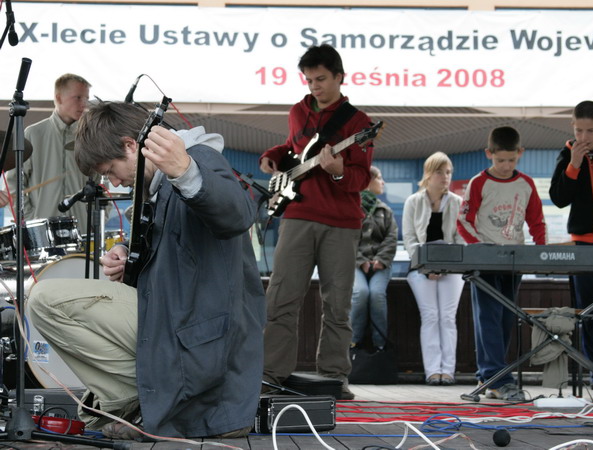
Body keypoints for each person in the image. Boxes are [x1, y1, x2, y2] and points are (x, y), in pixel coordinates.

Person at [26, 102, 266, 439]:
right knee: (45, 301)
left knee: (44, 299)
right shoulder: (155, 188)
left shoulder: (198, 159)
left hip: (199, 336)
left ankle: (134, 402)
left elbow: (237, 215)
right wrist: (129, 255)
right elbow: (180, 250)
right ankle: (139, 402)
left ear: (130, 145)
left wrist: (185, 170)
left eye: (110, 169)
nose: (113, 182)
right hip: (178, 323)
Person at [259, 44, 374, 400]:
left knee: (337, 305)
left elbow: (361, 179)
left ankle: (334, 378)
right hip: (296, 215)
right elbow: (294, 148)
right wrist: (272, 157)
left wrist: (339, 172)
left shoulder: (359, 123)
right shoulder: (297, 111)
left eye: (321, 79)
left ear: (340, 76)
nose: (314, 86)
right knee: (281, 299)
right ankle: (270, 375)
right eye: (309, 80)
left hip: (341, 223)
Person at [457, 126, 547, 401]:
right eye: (500, 161)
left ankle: (489, 377)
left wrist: (540, 252)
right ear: (489, 154)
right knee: (488, 318)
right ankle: (499, 377)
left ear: (520, 154)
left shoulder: (526, 184)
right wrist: (480, 248)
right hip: (484, 261)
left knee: (506, 319)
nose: (506, 166)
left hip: (514, 261)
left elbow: (536, 220)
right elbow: (463, 221)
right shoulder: (478, 183)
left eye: (511, 160)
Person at [2, 73, 97, 233]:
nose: (84, 104)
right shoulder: (33, 134)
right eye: (78, 98)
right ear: (59, 98)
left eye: (86, 98)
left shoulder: (90, 137)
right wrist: (30, 219)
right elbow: (14, 183)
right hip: (42, 234)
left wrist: (95, 221)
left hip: (83, 233)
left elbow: (100, 183)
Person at [549, 100, 593, 398]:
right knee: (590, 315)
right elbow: (558, 198)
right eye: (579, 130)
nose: (584, 137)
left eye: (591, 130)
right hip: (583, 245)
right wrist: (574, 166)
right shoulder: (567, 153)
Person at [403, 152, 465, 386]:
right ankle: (432, 371)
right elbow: (409, 239)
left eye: (448, 172)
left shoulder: (458, 203)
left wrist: (446, 267)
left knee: (448, 318)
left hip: (452, 268)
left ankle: (448, 371)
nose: (445, 177)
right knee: (430, 316)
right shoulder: (413, 201)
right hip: (421, 268)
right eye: (440, 172)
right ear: (429, 174)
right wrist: (426, 266)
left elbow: (461, 239)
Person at [350, 166, 397, 351]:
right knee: (360, 294)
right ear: (368, 181)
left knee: (377, 295)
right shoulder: (352, 208)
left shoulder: (385, 211)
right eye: (379, 178)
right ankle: (353, 342)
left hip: (381, 265)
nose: (383, 182)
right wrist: (361, 260)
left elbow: (391, 238)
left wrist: (380, 260)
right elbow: (348, 237)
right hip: (355, 264)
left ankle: (380, 344)